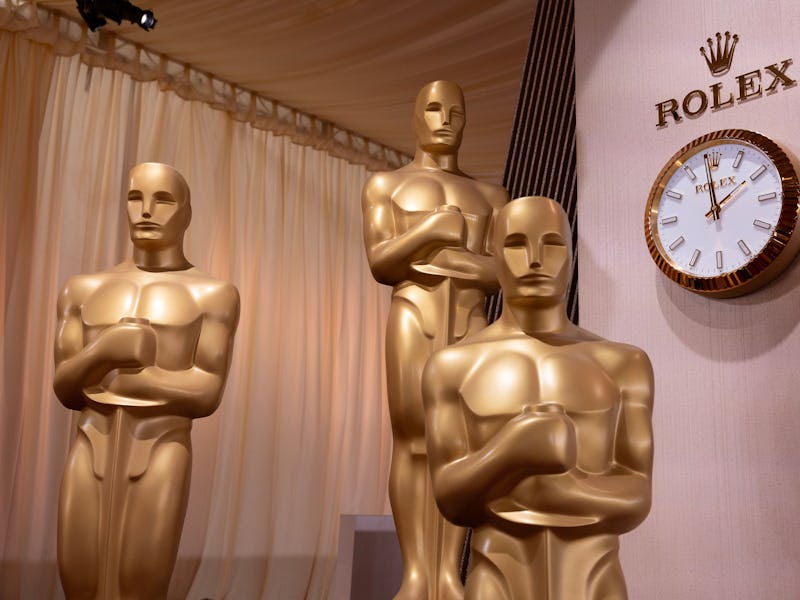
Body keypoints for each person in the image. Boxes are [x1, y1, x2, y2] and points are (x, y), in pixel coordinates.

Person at [423, 196, 654, 599]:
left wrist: (568, 490)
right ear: (493, 256)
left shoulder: (623, 363)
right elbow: (449, 501)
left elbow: (637, 497)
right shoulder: (452, 366)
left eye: (551, 244)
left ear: (570, 253)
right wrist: (510, 451)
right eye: (515, 244)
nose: (534, 259)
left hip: (594, 575)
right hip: (497, 571)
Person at [53, 162, 240, 599]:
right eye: (136, 198)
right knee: (78, 579)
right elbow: (64, 385)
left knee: (141, 582)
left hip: (161, 446)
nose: (146, 211)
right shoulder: (83, 288)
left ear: (187, 213)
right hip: (90, 440)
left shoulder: (211, 294)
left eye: (163, 200)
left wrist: (143, 381)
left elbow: (207, 391)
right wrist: (106, 351)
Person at [362, 80, 508, 599]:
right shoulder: (386, 186)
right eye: (432, 107)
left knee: (462, 441)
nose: (444, 118)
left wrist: (438, 258)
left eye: (456, 111)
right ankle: (416, 573)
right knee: (412, 439)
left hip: (472, 324)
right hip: (412, 316)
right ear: (415, 116)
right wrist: (431, 233)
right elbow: (382, 261)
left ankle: (450, 572)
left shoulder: (492, 196)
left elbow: (502, 273)